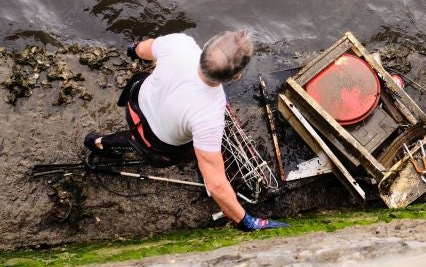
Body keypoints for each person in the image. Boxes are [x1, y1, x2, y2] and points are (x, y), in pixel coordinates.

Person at [83, 30, 287, 232]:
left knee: (134, 133)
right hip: (154, 144)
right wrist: (246, 221)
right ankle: (100, 143)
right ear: (236, 76)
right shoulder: (211, 114)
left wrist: (132, 50)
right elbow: (216, 184)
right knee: (138, 141)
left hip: (135, 106)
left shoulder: (179, 45)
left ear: (207, 44)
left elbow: (143, 49)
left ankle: (97, 143)